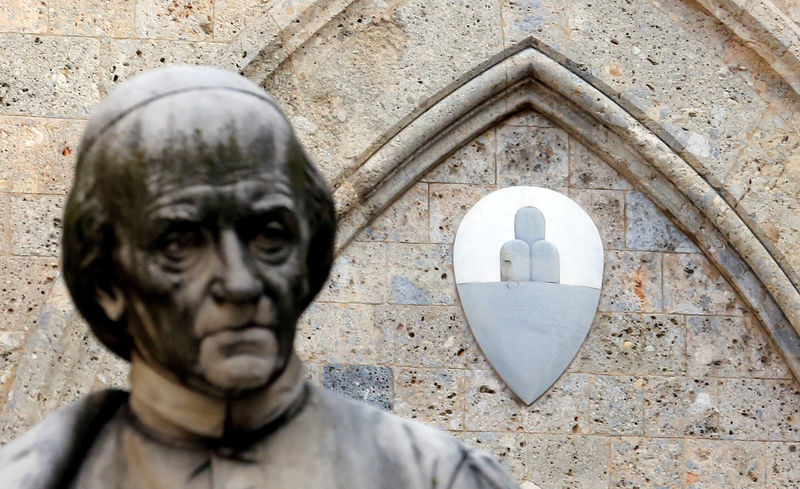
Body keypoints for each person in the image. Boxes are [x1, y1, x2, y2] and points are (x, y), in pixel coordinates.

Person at [0, 66, 520, 489]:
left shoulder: (434, 478)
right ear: (108, 282)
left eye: (268, 234)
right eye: (179, 242)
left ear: (309, 251)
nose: (241, 284)